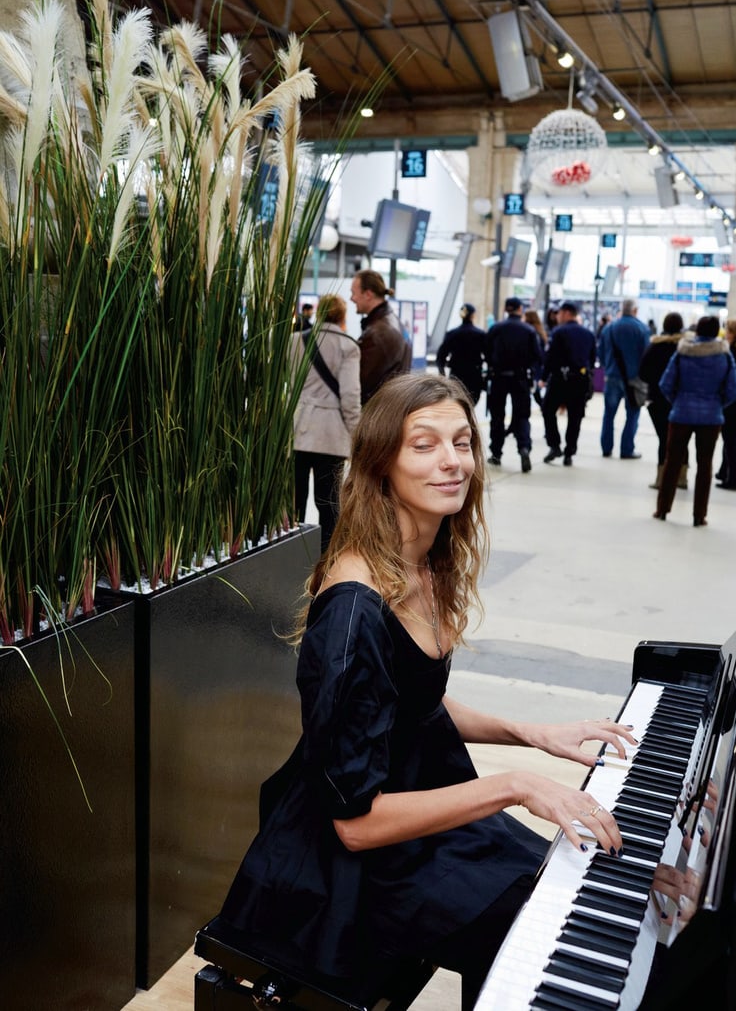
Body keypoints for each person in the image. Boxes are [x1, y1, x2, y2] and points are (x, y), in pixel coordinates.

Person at [215, 373, 632, 1011]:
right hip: (350, 866)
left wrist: (532, 733)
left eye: (462, 442)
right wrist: (515, 784)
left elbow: (408, 704)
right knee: (537, 921)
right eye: (424, 444)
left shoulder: (427, 559)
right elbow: (355, 825)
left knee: (572, 878)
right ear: (381, 464)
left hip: (417, 805)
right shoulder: (353, 610)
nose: (452, 461)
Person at [654, 315, 736, 527]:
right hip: (711, 418)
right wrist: (717, 404)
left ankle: (663, 509)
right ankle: (699, 515)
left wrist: (679, 401)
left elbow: (665, 383)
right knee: (705, 465)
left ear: (698, 331)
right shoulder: (725, 356)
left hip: (681, 414)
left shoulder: (683, 352)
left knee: (672, 462)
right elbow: (733, 390)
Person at [291, 294, 361, 551]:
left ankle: (293, 553)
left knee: (295, 501)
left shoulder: (295, 341)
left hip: (298, 429)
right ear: (342, 317)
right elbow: (350, 396)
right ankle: (325, 556)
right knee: (328, 502)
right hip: (331, 435)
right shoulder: (348, 346)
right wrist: (356, 436)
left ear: (319, 314)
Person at [485, 297, 543, 472]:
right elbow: (537, 356)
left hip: (498, 377)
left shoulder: (495, 328)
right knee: (521, 415)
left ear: (506, 309)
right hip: (520, 378)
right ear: (520, 309)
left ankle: (496, 453)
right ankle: (524, 448)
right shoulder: (529, 331)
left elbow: (486, 351)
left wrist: (494, 365)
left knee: (497, 416)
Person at [541, 301, 596, 465]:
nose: (557, 317)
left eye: (559, 313)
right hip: (580, 379)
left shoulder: (559, 332)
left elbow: (550, 358)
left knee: (548, 410)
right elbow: (592, 359)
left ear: (566, 313)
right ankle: (569, 452)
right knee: (575, 416)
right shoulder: (588, 334)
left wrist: (544, 377)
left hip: (560, 379)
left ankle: (554, 444)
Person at [638, 311, 688, 490]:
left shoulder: (655, 347)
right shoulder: (685, 347)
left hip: (657, 399)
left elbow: (642, 372)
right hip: (681, 399)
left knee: (664, 438)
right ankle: (682, 477)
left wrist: (656, 381)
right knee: (682, 438)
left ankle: (662, 478)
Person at [597, 298, 651, 459]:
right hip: (633, 380)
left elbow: (600, 352)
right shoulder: (642, 329)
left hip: (612, 376)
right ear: (635, 310)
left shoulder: (609, 328)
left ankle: (606, 447)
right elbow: (646, 355)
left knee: (609, 414)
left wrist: (609, 366)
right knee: (632, 414)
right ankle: (626, 449)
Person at [350, 269, 412, 404]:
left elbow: (358, 383)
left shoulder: (377, 333)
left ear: (368, 294)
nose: (351, 299)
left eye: (354, 293)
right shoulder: (393, 322)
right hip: (392, 407)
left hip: (378, 413)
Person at [435, 302, 486, 405]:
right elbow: (488, 355)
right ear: (473, 315)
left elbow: (441, 355)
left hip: (456, 373)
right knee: (472, 402)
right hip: (474, 373)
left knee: (458, 402)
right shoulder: (480, 334)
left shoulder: (452, 333)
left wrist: (442, 374)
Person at [716, 318, 736, 492]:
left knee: (730, 440)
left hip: (732, 403)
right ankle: (724, 472)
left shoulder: (730, 353)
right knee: (731, 440)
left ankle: (732, 479)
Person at [524, 307, 548, 408]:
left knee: (532, 391)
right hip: (537, 366)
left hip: (530, 366)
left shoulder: (528, 332)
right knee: (535, 391)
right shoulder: (540, 332)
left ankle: (544, 407)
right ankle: (544, 407)